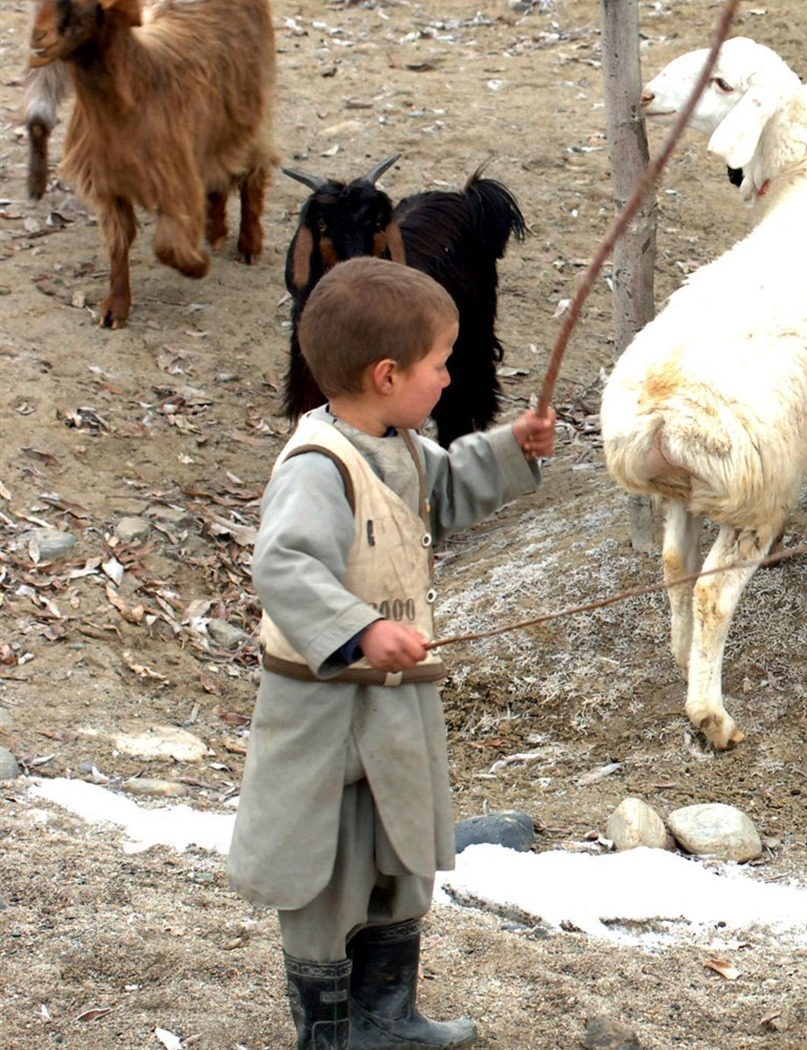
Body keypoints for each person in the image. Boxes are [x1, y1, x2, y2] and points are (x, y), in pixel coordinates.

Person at [226, 257, 556, 1049]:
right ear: (385, 375)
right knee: (328, 868)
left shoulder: (400, 445)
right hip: (325, 709)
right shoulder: (317, 467)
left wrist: (513, 446)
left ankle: (387, 1015)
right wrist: (361, 629)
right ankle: (331, 1032)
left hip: (397, 703)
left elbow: (447, 490)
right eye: (440, 364)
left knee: (398, 857)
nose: (448, 378)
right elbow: (283, 564)